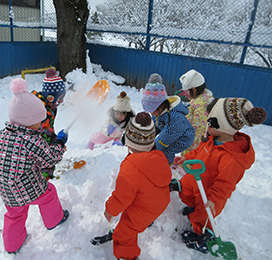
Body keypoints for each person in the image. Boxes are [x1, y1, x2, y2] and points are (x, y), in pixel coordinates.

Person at [170, 97, 267, 254]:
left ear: (222, 127)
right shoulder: (212, 139)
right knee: (188, 190)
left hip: (210, 195)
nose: (206, 127)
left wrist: (214, 200)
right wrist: (187, 158)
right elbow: (199, 153)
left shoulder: (232, 157)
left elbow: (225, 184)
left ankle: (201, 238)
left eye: (209, 124)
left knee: (203, 216)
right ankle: (193, 207)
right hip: (198, 181)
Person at [0, 78, 69, 254]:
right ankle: (54, 220)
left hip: (6, 190)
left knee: (14, 214)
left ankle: (12, 245)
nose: (41, 124)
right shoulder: (32, 140)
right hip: (29, 188)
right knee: (49, 193)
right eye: (38, 121)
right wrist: (59, 143)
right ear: (28, 120)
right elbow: (51, 158)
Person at [104, 111, 172, 260]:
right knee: (137, 219)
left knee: (124, 233)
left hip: (145, 209)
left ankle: (129, 257)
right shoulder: (159, 157)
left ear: (127, 141)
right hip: (160, 201)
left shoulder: (130, 168)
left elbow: (122, 197)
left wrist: (110, 209)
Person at [141, 82, 195, 164]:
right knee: (158, 147)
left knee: (166, 149)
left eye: (152, 110)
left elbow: (165, 139)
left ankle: (166, 165)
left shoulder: (175, 118)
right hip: (171, 132)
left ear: (159, 106)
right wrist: (145, 139)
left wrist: (151, 149)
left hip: (184, 138)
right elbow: (154, 126)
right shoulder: (159, 112)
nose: (151, 113)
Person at [31, 68, 66, 179]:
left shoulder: (49, 105)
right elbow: (45, 133)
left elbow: (48, 128)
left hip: (37, 141)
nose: (62, 101)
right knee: (46, 161)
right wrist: (58, 142)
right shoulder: (42, 110)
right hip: (34, 143)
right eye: (60, 98)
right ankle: (45, 180)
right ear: (52, 97)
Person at [179, 69, 213, 155]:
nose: (186, 93)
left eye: (187, 91)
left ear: (194, 89)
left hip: (194, 145)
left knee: (188, 165)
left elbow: (198, 130)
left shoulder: (201, 106)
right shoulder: (204, 97)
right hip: (194, 142)